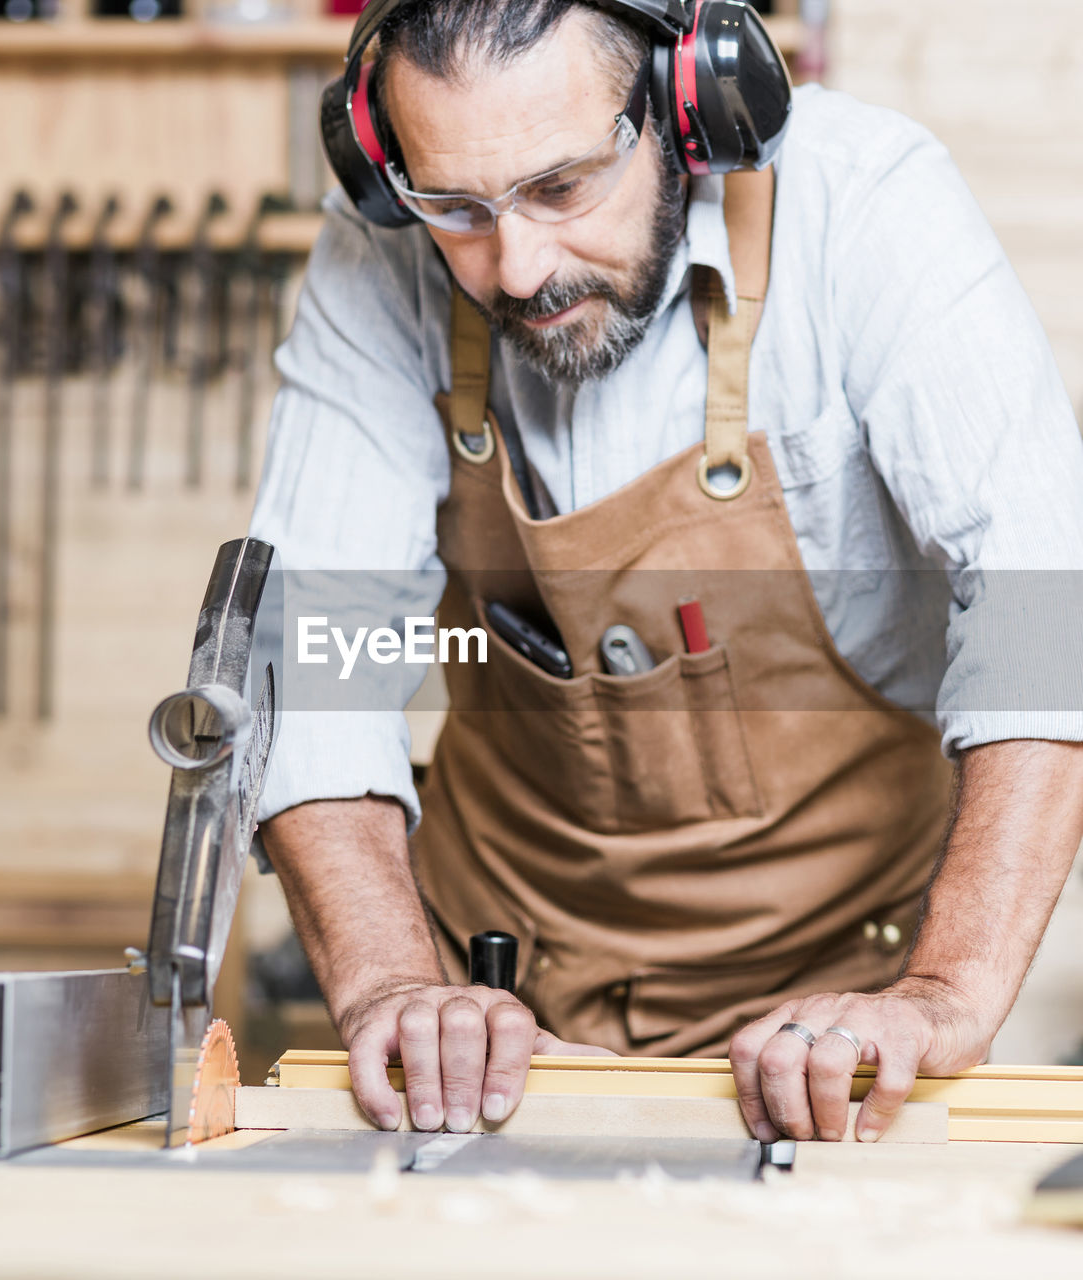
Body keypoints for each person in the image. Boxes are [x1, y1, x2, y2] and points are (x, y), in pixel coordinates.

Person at [248, 0, 1083, 1145]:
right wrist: (392, 984)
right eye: (457, 209)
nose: (518, 264)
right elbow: (318, 644)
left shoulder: (863, 202)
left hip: (846, 1025)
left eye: (560, 187)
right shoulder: (381, 256)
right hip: (492, 1027)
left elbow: (1046, 600)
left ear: (686, 103)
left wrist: (944, 995)